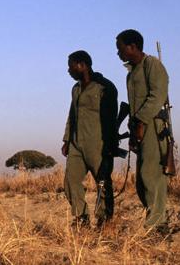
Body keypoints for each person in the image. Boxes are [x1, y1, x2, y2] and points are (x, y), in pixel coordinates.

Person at [116, 29, 170, 232]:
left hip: (153, 128)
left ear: (132, 47)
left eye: (120, 48)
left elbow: (157, 97)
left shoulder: (152, 65)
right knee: (141, 180)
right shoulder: (132, 73)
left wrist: (140, 122)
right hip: (139, 128)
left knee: (151, 175)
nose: (118, 53)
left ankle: (159, 225)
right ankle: (155, 220)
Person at [62, 50, 118, 228]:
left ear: (82, 65)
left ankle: (104, 219)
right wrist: (66, 140)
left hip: (98, 143)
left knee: (102, 182)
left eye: (70, 66)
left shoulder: (105, 87)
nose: (68, 70)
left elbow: (111, 119)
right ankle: (81, 218)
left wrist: (110, 144)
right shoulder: (76, 89)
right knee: (70, 180)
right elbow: (72, 115)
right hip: (76, 144)